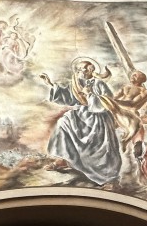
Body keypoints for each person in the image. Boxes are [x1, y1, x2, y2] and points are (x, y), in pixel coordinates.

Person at [40, 58, 122, 186]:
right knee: (63, 122)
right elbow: (68, 97)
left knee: (102, 145)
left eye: (82, 69)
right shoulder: (76, 83)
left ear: (90, 69)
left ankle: (108, 177)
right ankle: (64, 159)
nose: (79, 71)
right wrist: (50, 84)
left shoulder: (99, 84)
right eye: (77, 69)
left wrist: (90, 95)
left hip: (97, 117)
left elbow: (107, 102)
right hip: (80, 114)